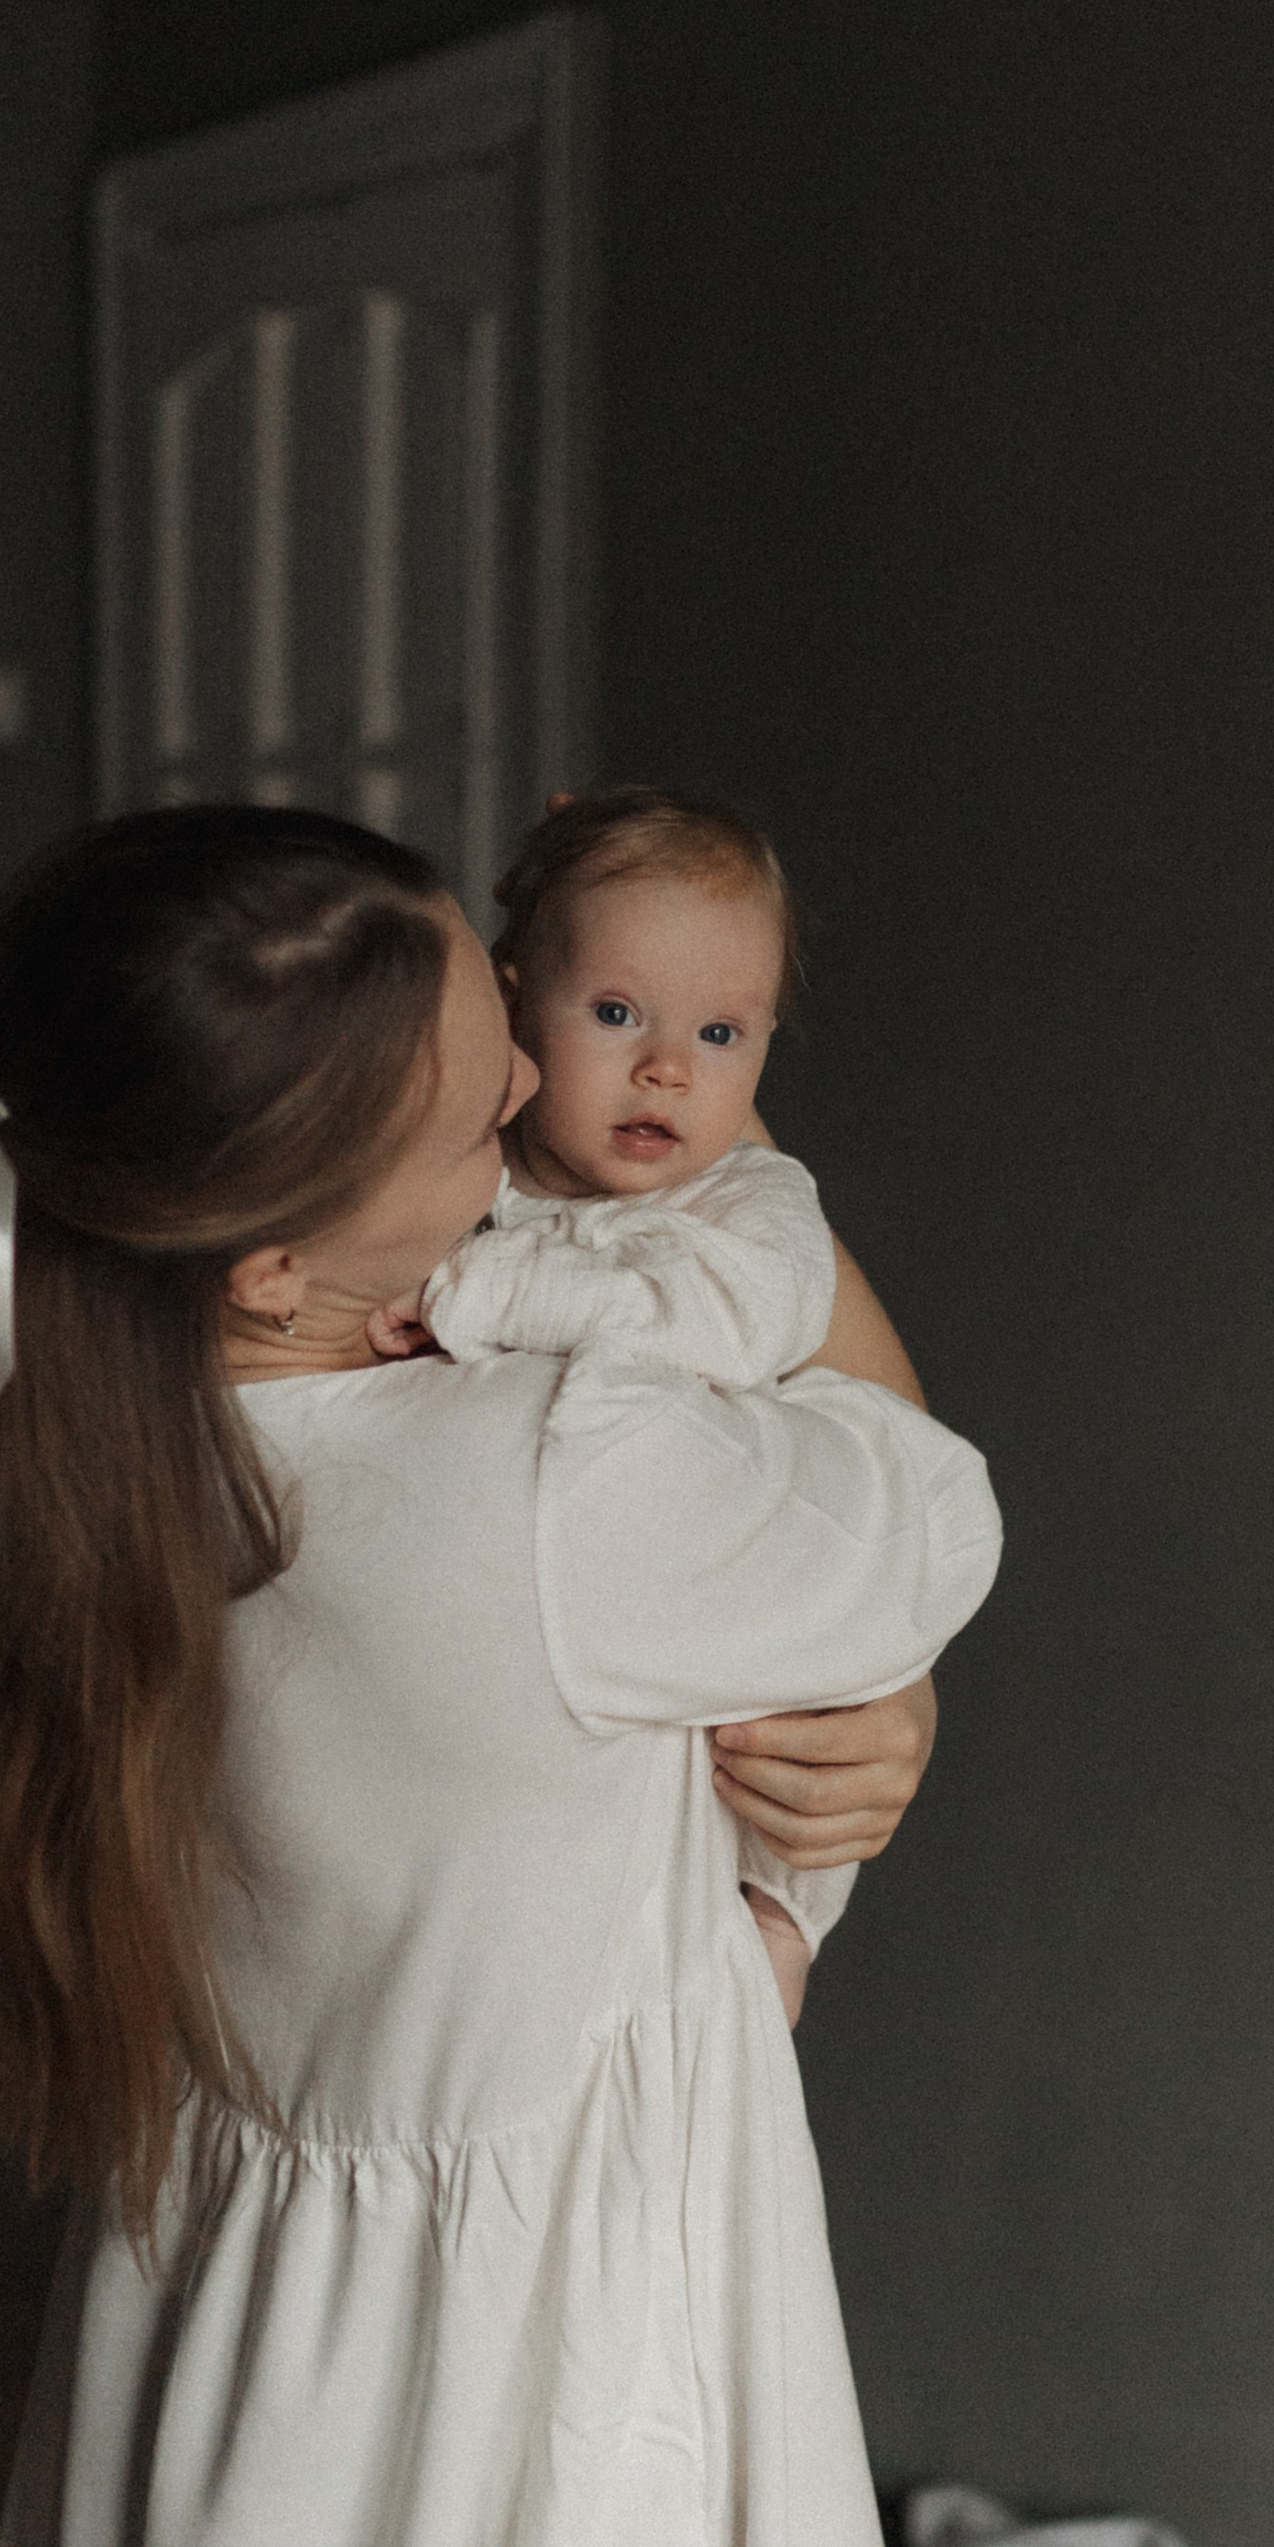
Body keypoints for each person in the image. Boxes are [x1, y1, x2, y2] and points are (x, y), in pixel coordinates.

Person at [0, 804, 1001, 2547]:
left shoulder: (22, 1320)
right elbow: (922, 1501)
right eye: (495, 1085)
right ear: (276, 1254)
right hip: (558, 2306)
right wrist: (746, 1173)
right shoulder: (556, 1469)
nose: (547, 1108)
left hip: (236, 2237)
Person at [411, 786, 893, 2029]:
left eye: (724, 1035)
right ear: (516, 1000)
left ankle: (783, 1922)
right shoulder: (463, 1166)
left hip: (724, 1588)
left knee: (802, 1724)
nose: (668, 1068)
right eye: (616, 1014)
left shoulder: (747, 1200)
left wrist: (476, 1289)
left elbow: (727, 1321)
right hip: (551, 1653)